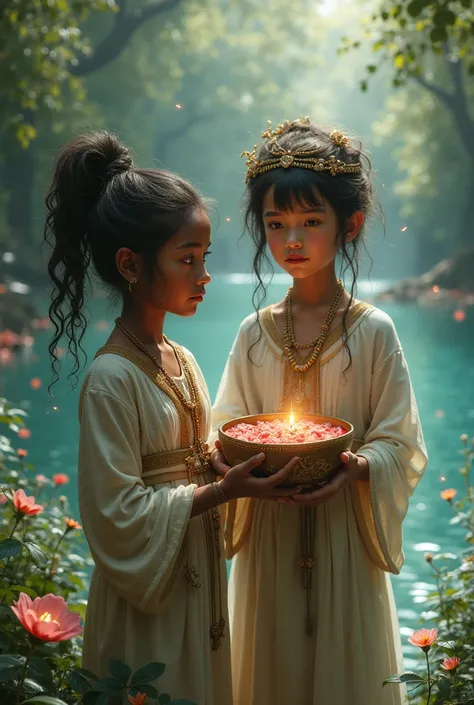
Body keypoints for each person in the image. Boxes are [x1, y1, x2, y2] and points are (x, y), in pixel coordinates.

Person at [44, 130, 298, 704]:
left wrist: (230, 463)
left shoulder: (180, 360)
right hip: (147, 599)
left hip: (194, 579)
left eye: (204, 257)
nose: (203, 275)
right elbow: (114, 515)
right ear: (130, 264)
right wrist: (220, 492)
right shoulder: (112, 379)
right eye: (187, 259)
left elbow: (192, 460)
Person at [211, 118, 428, 705]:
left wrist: (356, 468)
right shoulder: (254, 334)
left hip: (345, 542)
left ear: (349, 225)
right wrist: (237, 460)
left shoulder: (374, 332)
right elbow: (224, 427)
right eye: (276, 224)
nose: (292, 240)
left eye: (311, 222)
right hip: (269, 536)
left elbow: (401, 443)